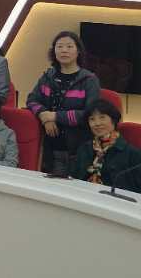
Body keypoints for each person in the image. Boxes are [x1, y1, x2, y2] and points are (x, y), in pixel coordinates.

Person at [27, 30, 100, 175]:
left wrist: (55, 116)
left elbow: (90, 114)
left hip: (78, 148)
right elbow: (32, 100)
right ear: (54, 51)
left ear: (78, 51)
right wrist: (44, 116)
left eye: (69, 46)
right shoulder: (48, 76)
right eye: (59, 46)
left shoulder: (89, 80)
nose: (64, 50)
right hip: (48, 147)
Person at [73, 98, 141, 195]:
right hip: (83, 198)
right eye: (92, 119)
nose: (97, 123)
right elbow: (73, 181)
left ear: (113, 120)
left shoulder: (133, 154)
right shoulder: (84, 149)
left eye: (102, 117)